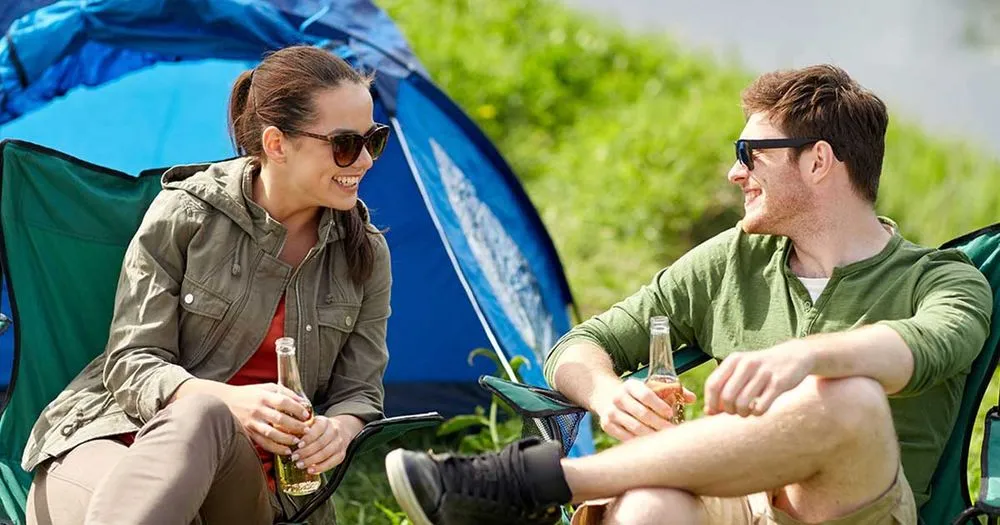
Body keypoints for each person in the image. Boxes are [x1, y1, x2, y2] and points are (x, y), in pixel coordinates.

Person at [383, 64, 994, 525]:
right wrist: (608, 394)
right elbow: (580, 344)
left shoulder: (942, 280)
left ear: (818, 163)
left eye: (750, 154)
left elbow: (928, 344)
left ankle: (532, 482)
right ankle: (529, 485)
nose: (735, 172)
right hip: (739, 501)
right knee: (649, 505)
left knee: (849, 395)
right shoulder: (733, 260)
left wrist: (806, 356)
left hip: (856, 507)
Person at [22, 45, 393, 525]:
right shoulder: (187, 215)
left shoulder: (364, 253)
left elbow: (360, 392)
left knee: (203, 422)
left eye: (373, 140)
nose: (364, 161)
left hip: (247, 488)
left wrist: (340, 429)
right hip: (115, 440)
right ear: (277, 144)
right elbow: (132, 362)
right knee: (202, 417)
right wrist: (229, 400)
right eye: (345, 144)